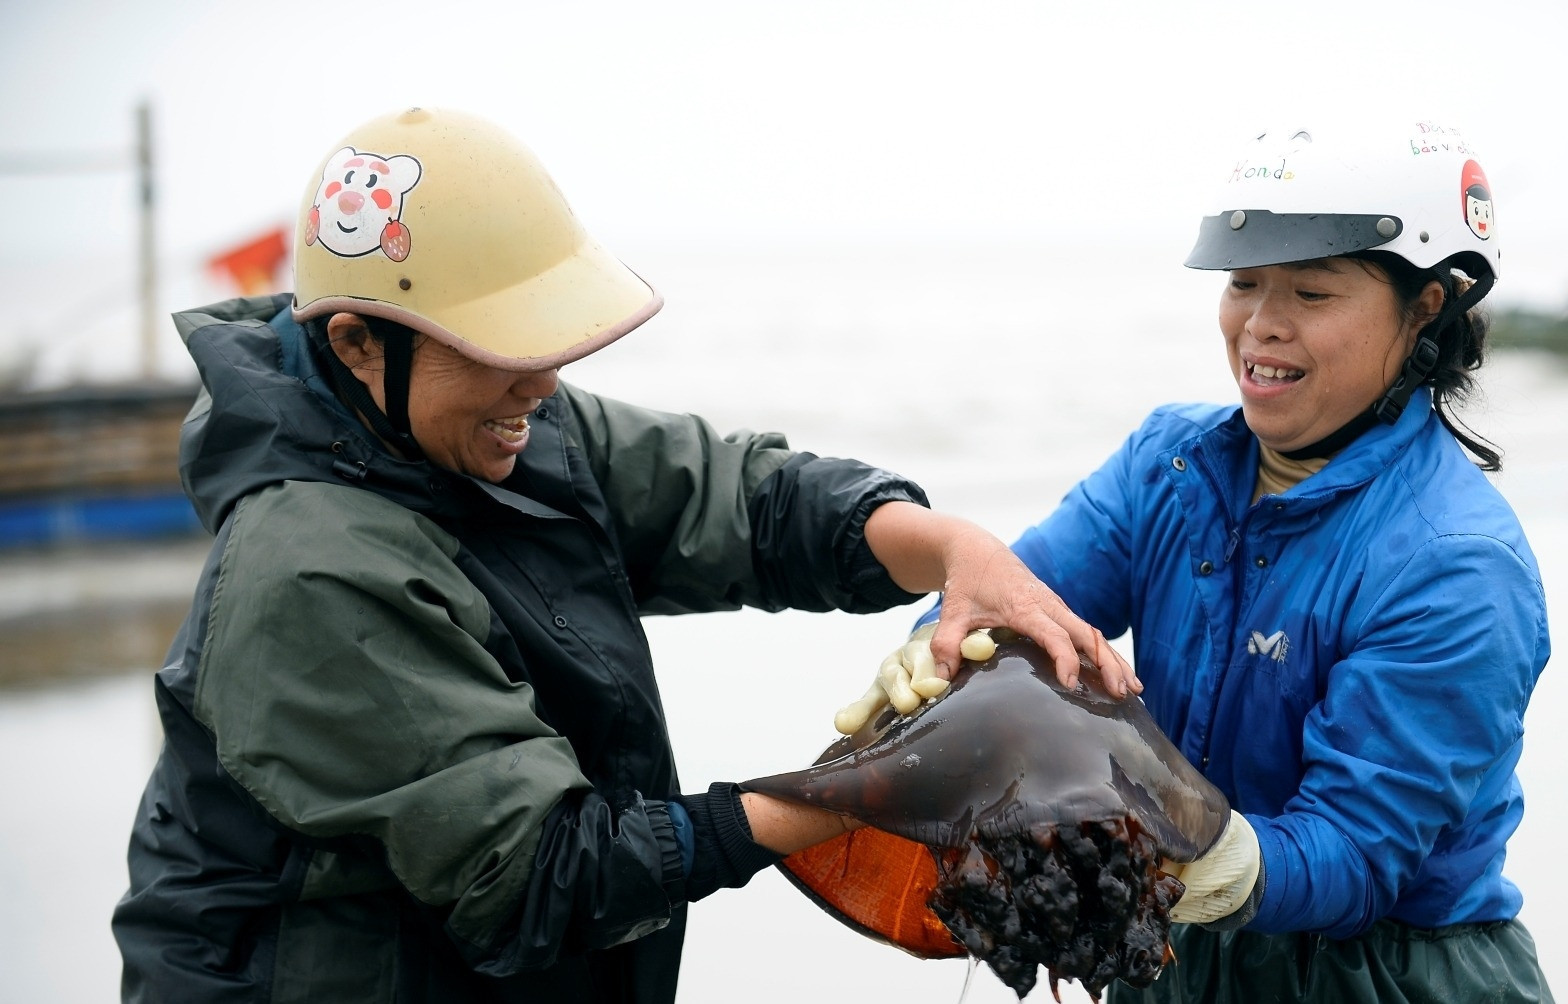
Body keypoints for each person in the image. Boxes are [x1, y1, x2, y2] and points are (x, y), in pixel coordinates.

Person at [109, 107, 1133, 1003]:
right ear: (355, 344)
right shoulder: (308, 572)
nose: (541, 383)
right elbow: (550, 872)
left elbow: (740, 499)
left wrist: (953, 545)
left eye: (545, 338)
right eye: (500, 347)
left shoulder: (498, 421)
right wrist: (867, 786)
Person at [858, 119, 1554, 1002]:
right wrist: (948, 645)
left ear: (1427, 307)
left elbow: (1354, 856)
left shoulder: (1456, 567)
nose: (1260, 326)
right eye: (1243, 283)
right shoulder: (1169, 467)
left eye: (1311, 292)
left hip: (1385, 970)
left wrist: (1187, 864)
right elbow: (1025, 605)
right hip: (1173, 958)